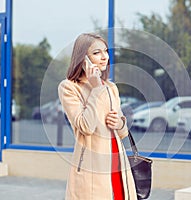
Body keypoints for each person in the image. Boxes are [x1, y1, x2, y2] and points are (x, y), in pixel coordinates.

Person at [58, 33, 137, 200]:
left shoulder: (111, 87)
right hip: (93, 165)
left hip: (117, 162)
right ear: (83, 58)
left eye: (106, 51)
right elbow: (86, 126)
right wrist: (95, 88)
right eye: (96, 53)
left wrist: (119, 124)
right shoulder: (69, 87)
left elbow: (122, 132)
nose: (104, 57)